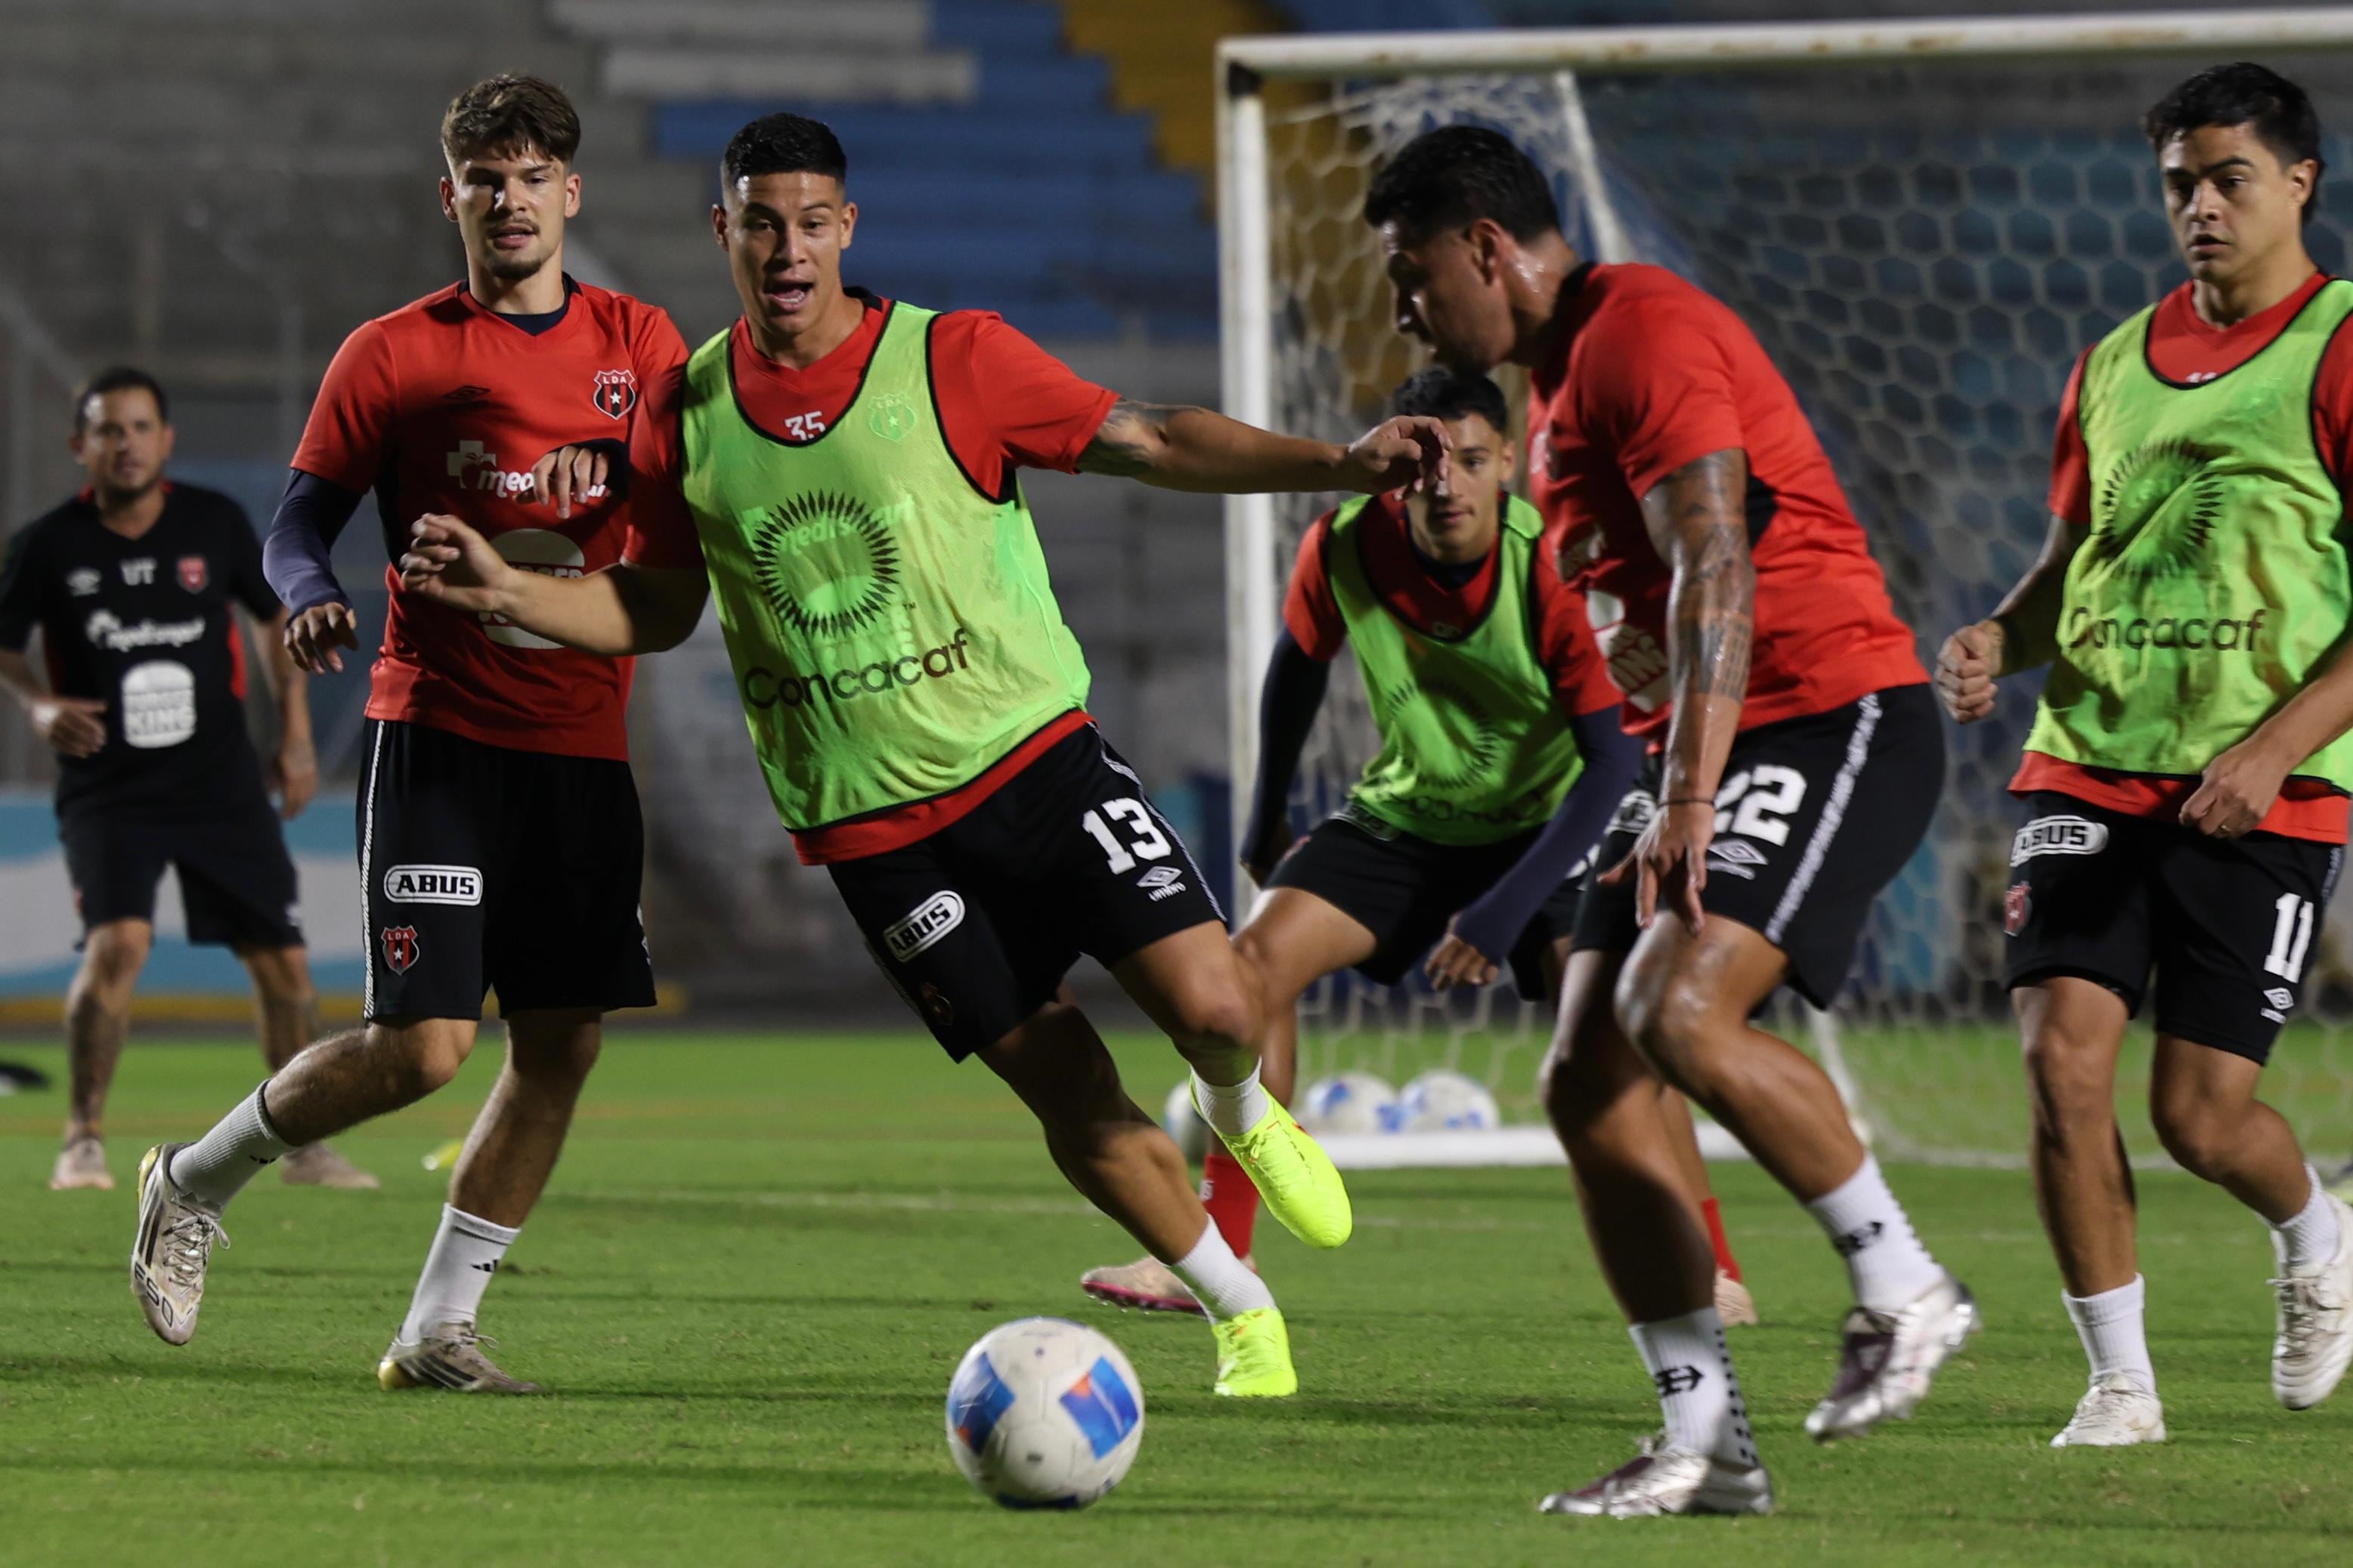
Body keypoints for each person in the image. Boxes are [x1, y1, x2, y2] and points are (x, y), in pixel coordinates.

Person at [395, 110, 1454, 1398]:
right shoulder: (689, 414)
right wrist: (512, 593)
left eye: (813, 221)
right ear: (723, 232)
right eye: (763, 223)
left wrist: (1339, 464)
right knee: (1066, 1084)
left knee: (1219, 1006)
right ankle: (1241, 1313)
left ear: (847, 228)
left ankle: (1239, 1105)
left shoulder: (955, 358)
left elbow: (1153, 439)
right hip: (877, 840)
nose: (790, 248)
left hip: (1035, 763)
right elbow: (654, 608)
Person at [1364, 125, 1970, 1517]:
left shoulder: (1639, 332)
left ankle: (1906, 1284)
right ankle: (1703, 1442)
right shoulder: (1557, 394)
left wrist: (1689, 790)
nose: (1403, 307)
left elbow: (1712, 561)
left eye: (1409, 275)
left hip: (1825, 716)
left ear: (1481, 247)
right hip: (1693, 751)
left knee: (1681, 1015)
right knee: (1584, 1079)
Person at [129, 75, 703, 1395]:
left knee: (562, 1041)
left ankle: (434, 1332)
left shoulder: (643, 344)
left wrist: (610, 484)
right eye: (484, 178)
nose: (510, 200)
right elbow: (292, 524)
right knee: (426, 1048)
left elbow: (679, 506)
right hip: (437, 733)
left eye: (533, 175)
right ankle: (191, 1177)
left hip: (581, 741)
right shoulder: (391, 352)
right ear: (450, 196)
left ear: (573, 191)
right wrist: (315, 597)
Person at [1076, 367, 1756, 1327]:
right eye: (1429, 462)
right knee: (1246, 972)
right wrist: (1266, 818)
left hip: (1546, 823)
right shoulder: (1345, 544)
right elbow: (1293, 679)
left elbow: (1607, 764)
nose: (1447, 485)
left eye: (1471, 461)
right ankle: (1220, 1249)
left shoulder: (1546, 566)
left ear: (1507, 465)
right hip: (1405, 818)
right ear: (1398, 464)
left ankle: (1712, 1267)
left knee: (1614, 1022)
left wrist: (1499, 913)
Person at [1936, 62, 2353, 1446]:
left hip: (2268, 787)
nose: (2199, 206)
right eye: (2177, 181)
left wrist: (2271, 746)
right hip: (2085, 764)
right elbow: (2069, 564)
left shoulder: (2340, 346)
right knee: (2059, 1065)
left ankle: (2315, 1233)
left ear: (2299, 180)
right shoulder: (2108, 365)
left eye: (2228, 177)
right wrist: (2003, 635)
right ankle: (2117, 1385)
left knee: (2198, 1116)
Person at [0, 368, 371, 1193]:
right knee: (118, 945)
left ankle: (305, 1146)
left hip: (218, 783)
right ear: (80, 446)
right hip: (107, 788)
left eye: (139, 427)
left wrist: (297, 737)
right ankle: (83, 1138)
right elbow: (5, 644)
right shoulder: (47, 545)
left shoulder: (213, 523)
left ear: (165, 440)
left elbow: (276, 620)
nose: (124, 442)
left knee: (282, 961)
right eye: (107, 429)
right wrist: (37, 706)